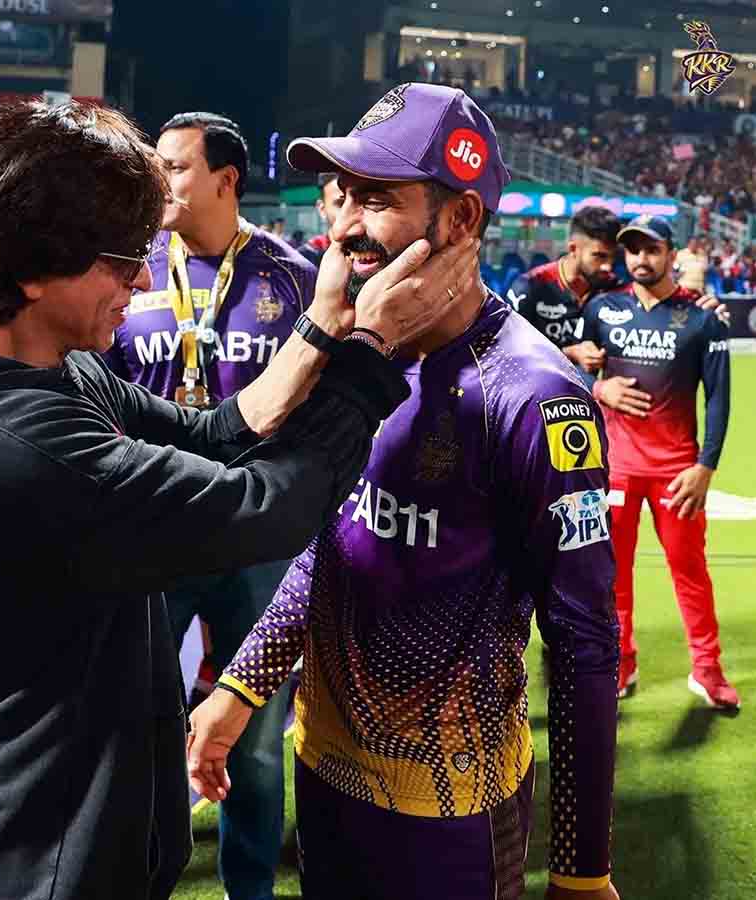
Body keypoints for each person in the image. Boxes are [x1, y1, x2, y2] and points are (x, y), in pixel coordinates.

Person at [0, 100, 472, 900]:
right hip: (49, 863)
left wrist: (322, 327)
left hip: (46, 831)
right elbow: (266, 505)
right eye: (121, 260)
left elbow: (214, 432)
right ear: (35, 267)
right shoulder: (13, 443)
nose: (143, 277)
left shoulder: (20, 354)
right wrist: (371, 353)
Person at [188, 84, 621, 900]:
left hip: (448, 810)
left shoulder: (535, 397)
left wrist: (581, 866)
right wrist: (240, 689)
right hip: (323, 769)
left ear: (459, 221)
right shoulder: (355, 354)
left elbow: (586, 642)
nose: (344, 223)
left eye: (377, 198)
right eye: (343, 194)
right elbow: (332, 541)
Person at [106, 110, 316, 900]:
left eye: (174, 167)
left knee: (257, 741)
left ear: (226, 180)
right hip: (157, 535)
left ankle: (249, 888)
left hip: (259, 541)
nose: (159, 181)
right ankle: (144, 872)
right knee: (142, 723)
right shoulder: (130, 270)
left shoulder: (292, 277)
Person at [581, 215, 737, 708]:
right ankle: (621, 663)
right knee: (613, 574)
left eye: (652, 250)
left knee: (690, 571)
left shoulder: (702, 318)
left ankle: (707, 671)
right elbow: (568, 372)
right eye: (633, 251)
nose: (641, 259)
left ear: (672, 255)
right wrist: (598, 387)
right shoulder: (602, 309)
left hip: (677, 473)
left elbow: (718, 397)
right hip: (616, 470)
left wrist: (705, 466)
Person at [508, 206, 621, 385]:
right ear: (573, 248)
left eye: (612, 258)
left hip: (593, 397)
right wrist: (569, 353)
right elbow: (510, 353)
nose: (608, 267)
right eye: (599, 256)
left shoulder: (613, 287)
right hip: (537, 389)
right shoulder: (530, 287)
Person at [297, 173, 344, 267]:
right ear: (322, 209)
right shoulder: (305, 258)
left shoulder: (376, 253)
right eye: (341, 204)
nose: (350, 211)